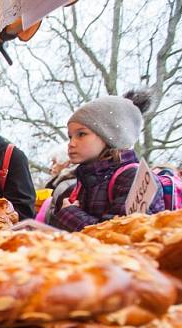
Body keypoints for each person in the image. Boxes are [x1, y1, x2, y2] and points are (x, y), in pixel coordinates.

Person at [51, 90, 162, 232]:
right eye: (70, 136)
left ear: (111, 135)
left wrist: (69, 214)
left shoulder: (133, 178)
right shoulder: (80, 184)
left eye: (81, 134)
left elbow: (122, 236)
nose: (71, 143)